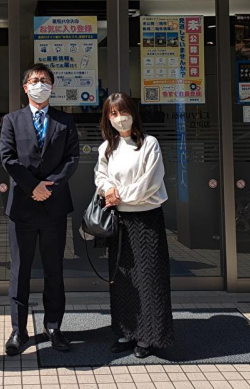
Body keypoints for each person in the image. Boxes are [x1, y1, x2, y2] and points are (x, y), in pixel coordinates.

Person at [0, 63, 80, 355]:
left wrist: (49, 187)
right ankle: (18, 331)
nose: (40, 84)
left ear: (52, 86)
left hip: (54, 207)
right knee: (20, 271)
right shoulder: (12, 120)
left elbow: (72, 158)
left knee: (53, 270)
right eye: (34, 80)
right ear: (25, 87)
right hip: (22, 207)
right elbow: (8, 158)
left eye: (45, 80)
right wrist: (32, 186)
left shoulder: (65, 121)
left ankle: (54, 327)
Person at [94, 92, 174, 358]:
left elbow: (150, 182)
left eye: (123, 111)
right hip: (119, 221)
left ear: (133, 112)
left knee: (149, 279)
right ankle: (126, 331)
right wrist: (108, 190)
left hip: (146, 220)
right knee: (123, 280)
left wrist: (120, 196)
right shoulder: (107, 147)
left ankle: (148, 337)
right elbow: (100, 176)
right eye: (113, 113)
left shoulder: (149, 144)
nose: (119, 118)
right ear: (107, 118)